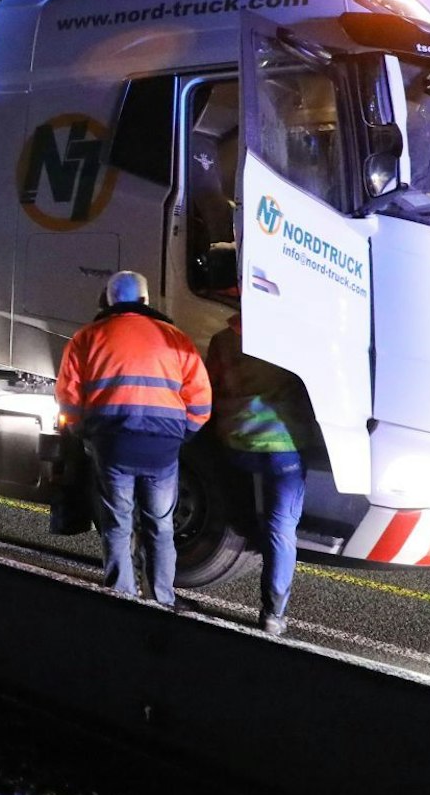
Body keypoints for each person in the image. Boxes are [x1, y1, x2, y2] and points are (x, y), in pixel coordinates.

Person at [54, 271, 211, 609]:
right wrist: (182, 435)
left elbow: (68, 399)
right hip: (162, 449)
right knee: (161, 524)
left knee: (117, 523)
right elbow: (201, 401)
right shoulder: (176, 338)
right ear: (145, 300)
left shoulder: (86, 338)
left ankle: (121, 596)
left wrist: (84, 433)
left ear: (108, 300)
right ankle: (162, 597)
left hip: (112, 446)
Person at [206, 311, 314, 636]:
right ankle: (273, 615)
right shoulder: (291, 339)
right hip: (284, 446)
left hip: (237, 441)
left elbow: (208, 386)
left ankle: (242, 532)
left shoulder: (223, 341)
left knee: (238, 503)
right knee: (281, 528)